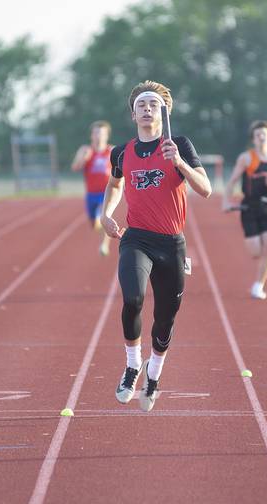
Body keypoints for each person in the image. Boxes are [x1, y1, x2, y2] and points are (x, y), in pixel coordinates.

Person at [101, 80, 212, 412]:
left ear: (164, 112)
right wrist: (106, 213)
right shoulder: (121, 151)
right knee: (133, 297)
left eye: (153, 104)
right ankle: (132, 365)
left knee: (165, 318)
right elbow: (114, 184)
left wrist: (179, 162)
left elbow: (205, 189)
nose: (147, 108)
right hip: (137, 238)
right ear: (133, 115)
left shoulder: (179, 145)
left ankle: (154, 372)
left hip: (171, 244)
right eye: (141, 105)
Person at [222, 120, 267, 300]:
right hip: (249, 207)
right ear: (253, 139)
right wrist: (226, 202)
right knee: (256, 251)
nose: (261, 137)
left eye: (264, 134)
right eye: (257, 135)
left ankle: (258, 285)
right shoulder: (246, 158)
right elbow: (232, 181)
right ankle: (259, 272)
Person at [70, 120, 114, 256]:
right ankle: (99, 225)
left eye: (101, 134)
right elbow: (75, 168)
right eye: (96, 133)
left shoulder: (112, 150)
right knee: (94, 225)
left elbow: (123, 170)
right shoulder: (85, 150)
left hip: (107, 192)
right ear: (92, 136)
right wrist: (84, 159)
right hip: (91, 194)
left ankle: (104, 245)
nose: (99, 136)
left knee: (104, 217)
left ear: (107, 136)